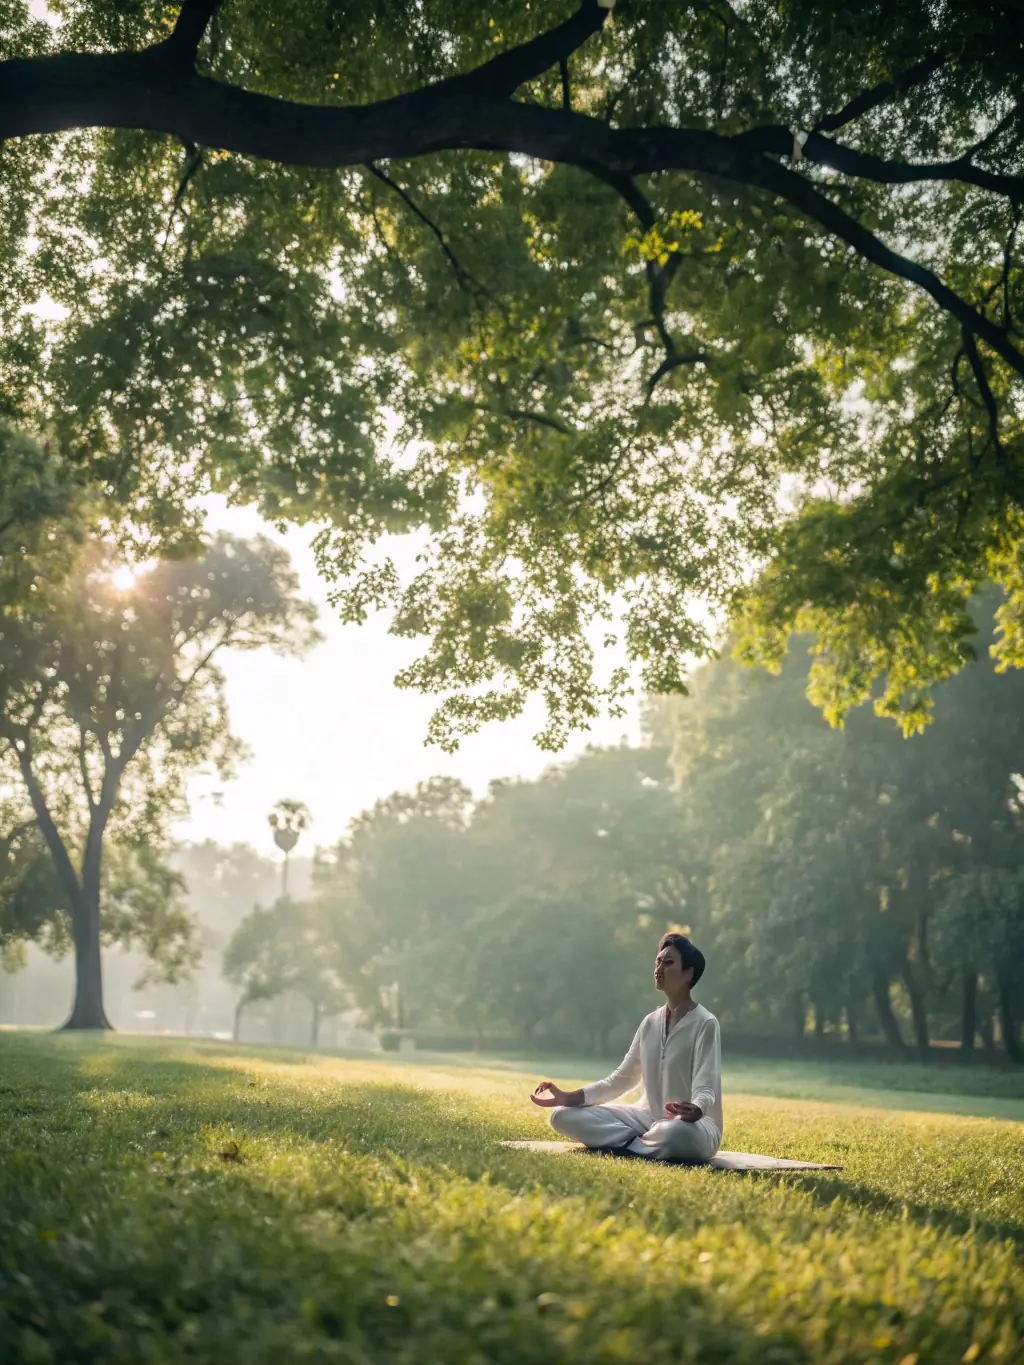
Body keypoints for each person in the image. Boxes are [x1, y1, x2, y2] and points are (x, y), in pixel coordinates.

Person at [530, 933, 722, 1162]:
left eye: (668, 962)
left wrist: (697, 1109)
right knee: (561, 1116)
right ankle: (638, 1143)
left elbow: (706, 1086)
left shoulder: (705, 1023)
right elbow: (621, 1079)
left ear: (688, 973)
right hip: (647, 1118)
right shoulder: (650, 1022)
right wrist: (569, 1098)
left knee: (675, 1133)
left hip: (694, 1127)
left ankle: (634, 1142)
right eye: (658, 961)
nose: (659, 967)